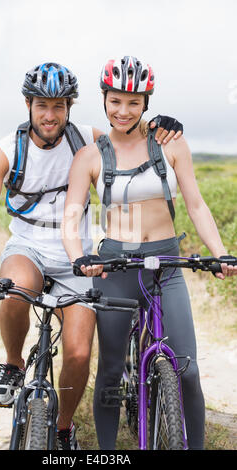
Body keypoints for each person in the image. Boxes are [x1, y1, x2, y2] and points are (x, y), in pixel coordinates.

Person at [0, 61, 182, 450]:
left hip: (77, 254)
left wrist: (156, 123)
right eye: (42, 105)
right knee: (14, 288)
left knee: (78, 351)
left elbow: (127, 133)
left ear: (70, 107)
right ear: (28, 104)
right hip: (28, 246)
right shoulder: (7, 151)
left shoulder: (85, 139)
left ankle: (61, 428)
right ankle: (13, 364)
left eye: (59, 106)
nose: (50, 115)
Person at [61, 55, 237, 450]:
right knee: (107, 373)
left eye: (134, 102)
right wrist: (80, 256)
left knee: (187, 371)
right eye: (116, 101)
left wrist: (221, 252)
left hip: (166, 265)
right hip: (115, 266)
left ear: (146, 102)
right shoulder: (90, 157)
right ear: (104, 99)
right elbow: (71, 217)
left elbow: (196, 204)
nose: (123, 111)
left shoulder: (169, 143)